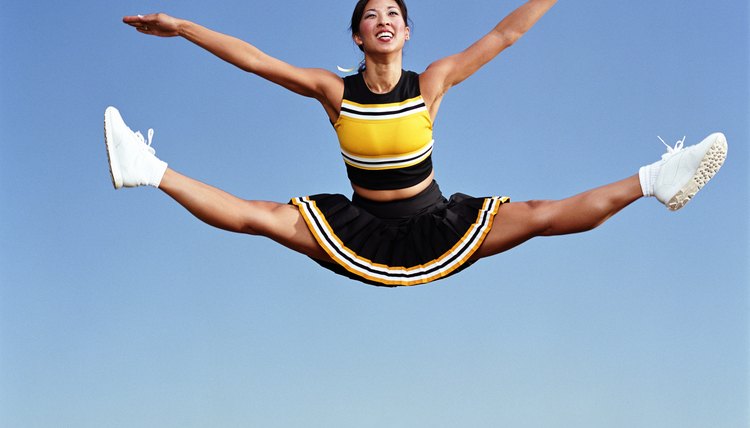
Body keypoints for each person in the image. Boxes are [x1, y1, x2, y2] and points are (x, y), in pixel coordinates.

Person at [104, 0, 727, 287]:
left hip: (436, 223)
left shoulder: (431, 82)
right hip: (358, 230)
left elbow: (506, 34)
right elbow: (257, 61)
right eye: (371, 15)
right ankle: (147, 168)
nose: (383, 21)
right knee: (259, 217)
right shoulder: (333, 89)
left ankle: (657, 180)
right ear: (357, 35)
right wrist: (182, 26)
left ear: (406, 29)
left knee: (540, 216)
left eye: (393, 14)